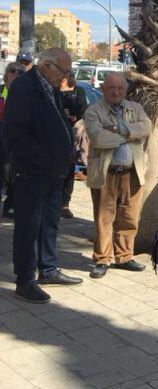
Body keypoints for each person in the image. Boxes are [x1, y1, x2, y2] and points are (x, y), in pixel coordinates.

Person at [3, 48, 82, 304]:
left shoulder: (49, 86)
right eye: (64, 71)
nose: (66, 76)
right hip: (33, 171)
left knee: (49, 223)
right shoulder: (25, 87)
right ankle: (25, 280)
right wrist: (44, 158)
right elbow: (15, 134)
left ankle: (48, 269)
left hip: (53, 171)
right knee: (28, 226)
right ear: (47, 65)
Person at [84, 73, 152, 279]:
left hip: (133, 172)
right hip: (107, 174)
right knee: (104, 219)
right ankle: (102, 259)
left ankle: (124, 257)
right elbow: (97, 138)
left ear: (125, 90)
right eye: (111, 88)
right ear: (103, 89)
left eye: (120, 88)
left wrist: (120, 129)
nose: (115, 92)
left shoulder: (136, 108)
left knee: (129, 217)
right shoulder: (93, 111)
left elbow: (147, 127)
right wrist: (131, 136)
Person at [59, 72, 87, 219]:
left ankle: (65, 204)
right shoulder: (53, 89)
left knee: (69, 170)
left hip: (72, 136)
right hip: (54, 135)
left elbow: (83, 112)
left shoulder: (78, 91)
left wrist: (70, 114)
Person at [0, 62, 24, 218]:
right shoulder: (1, 92)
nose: (16, 74)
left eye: (21, 72)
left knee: (13, 175)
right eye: (13, 71)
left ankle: (10, 206)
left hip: (17, 142)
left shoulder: (26, 94)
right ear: (6, 74)